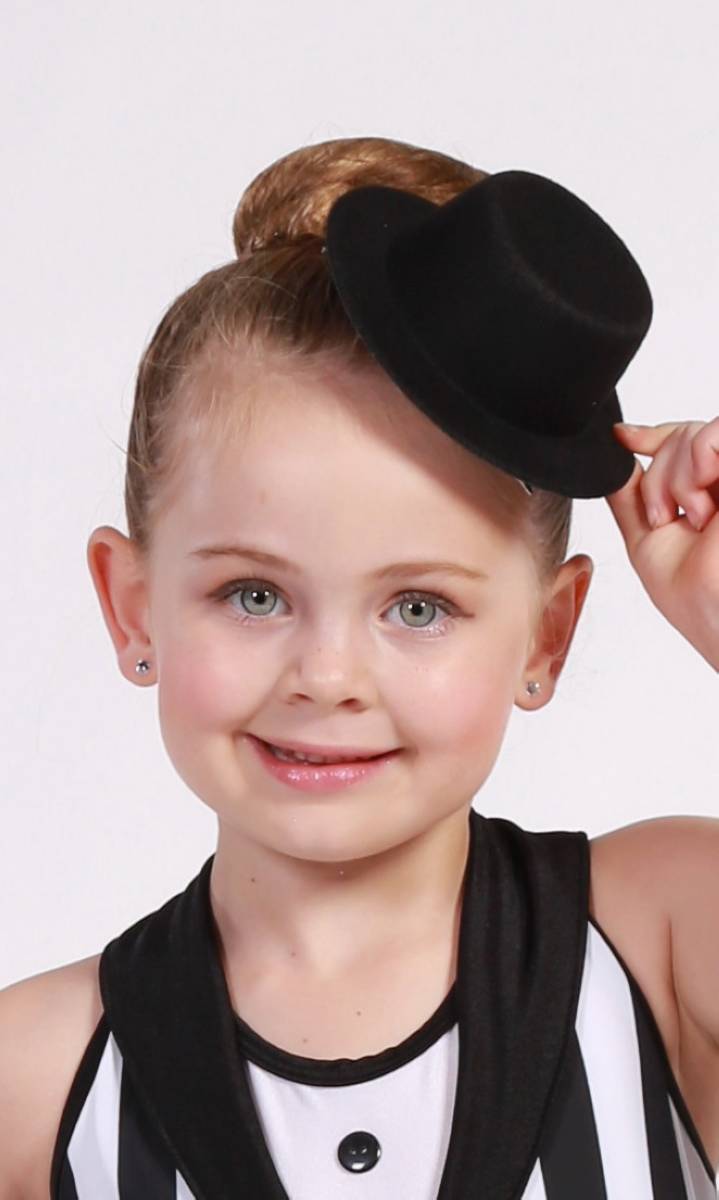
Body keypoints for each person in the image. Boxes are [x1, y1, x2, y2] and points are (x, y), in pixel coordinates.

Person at [1, 135, 717, 1200]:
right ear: (132, 606)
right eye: (254, 595)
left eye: (418, 607)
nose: (327, 675)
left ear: (545, 637)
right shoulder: (35, 1079)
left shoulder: (662, 935)